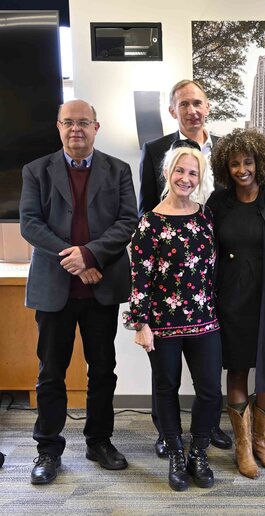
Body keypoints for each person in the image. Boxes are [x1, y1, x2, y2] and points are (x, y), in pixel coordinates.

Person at [20, 99, 138, 485]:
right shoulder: (36, 171)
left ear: (96, 127)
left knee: (103, 371)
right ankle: (48, 450)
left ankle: (99, 441)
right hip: (55, 289)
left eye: (83, 122)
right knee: (51, 373)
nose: (76, 129)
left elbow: (127, 222)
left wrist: (90, 255)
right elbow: (30, 223)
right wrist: (70, 257)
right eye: (68, 123)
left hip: (100, 289)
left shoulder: (118, 171)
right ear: (58, 127)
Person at [138, 79, 230, 455]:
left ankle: (204, 436)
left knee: (210, 382)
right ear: (173, 110)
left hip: (209, 285)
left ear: (207, 106)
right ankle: (169, 436)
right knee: (166, 382)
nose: (192, 110)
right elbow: (144, 207)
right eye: (184, 104)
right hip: (166, 295)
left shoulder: (225, 149)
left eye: (198, 102)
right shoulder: (156, 150)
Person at [124, 146, 222, 491]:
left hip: (205, 320)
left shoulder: (206, 216)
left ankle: (198, 451)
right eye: (180, 171)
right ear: (168, 172)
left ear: (200, 178)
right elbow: (141, 277)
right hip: (163, 324)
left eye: (193, 173)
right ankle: (176, 453)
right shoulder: (150, 221)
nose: (186, 178)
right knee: (166, 389)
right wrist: (141, 323)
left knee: (210, 391)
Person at [207, 128, 265, 479]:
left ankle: (262, 441)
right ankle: (243, 447)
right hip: (231, 300)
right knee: (237, 369)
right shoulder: (218, 203)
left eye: (248, 162)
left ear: (259, 162)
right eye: (234, 164)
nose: (242, 169)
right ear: (225, 167)